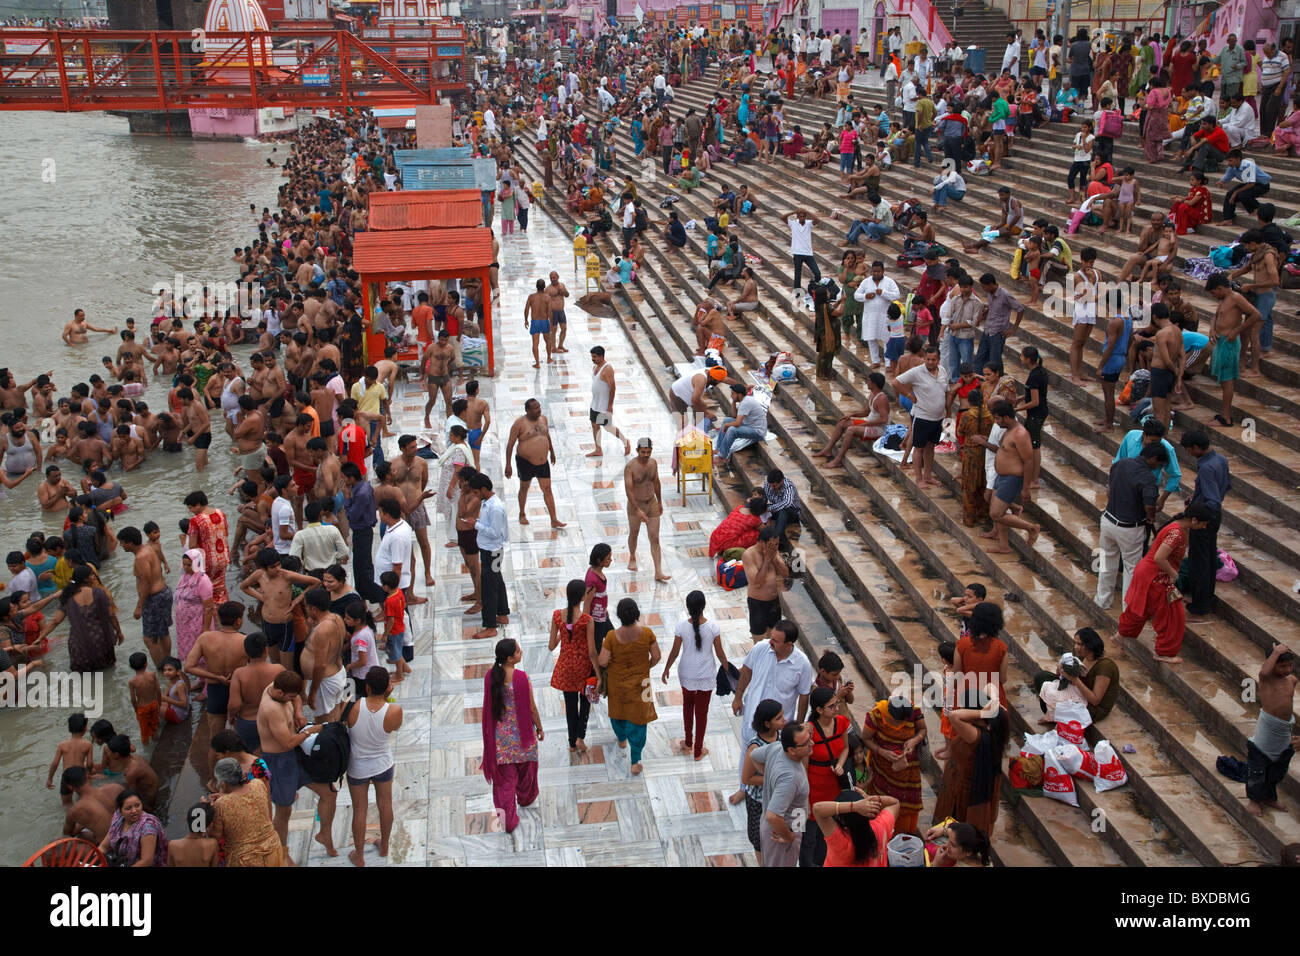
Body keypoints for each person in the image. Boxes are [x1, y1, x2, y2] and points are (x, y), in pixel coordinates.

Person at [481, 638, 542, 837]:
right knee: (526, 771)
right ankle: (525, 798)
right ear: (509, 658)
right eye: (517, 651)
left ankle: (507, 820)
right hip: (523, 737)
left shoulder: (491, 677)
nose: (521, 652)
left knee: (505, 783)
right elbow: (532, 709)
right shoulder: (523, 679)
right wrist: (539, 728)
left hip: (501, 741)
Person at [931, 683, 1008, 836]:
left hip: (963, 786)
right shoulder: (993, 723)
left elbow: (953, 716)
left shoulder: (974, 733)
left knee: (957, 821)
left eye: (963, 707)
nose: (960, 709)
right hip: (958, 776)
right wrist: (992, 703)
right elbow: (990, 686)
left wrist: (983, 712)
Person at [1095, 444, 1165, 610]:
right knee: (1132, 569)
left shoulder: (1120, 464)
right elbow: (1149, 505)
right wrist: (1151, 517)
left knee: (1106, 563)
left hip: (1108, 520)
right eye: (1159, 464)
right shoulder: (1148, 478)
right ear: (1154, 459)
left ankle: (1102, 601)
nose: (1158, 468)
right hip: (1129, 528)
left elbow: (1109, 491)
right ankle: (1129, 609)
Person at [345, 666, 402, 866]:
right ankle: (384, 845)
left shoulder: (352, 706)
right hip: (382, 764)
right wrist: (387, 698)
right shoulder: (394, 710)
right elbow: (395, 727)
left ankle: (359, 855)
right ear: (388, 687)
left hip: (357, 766)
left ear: (367, 687)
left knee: (359, 810)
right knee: (385, 804)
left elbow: (342, 716)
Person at [661, 589, 728, 762]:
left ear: (688, 607)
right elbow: (719, 653)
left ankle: (688, 741)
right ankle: (698, 750)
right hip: (706, 675)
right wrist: (728, 668)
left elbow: (675, 652)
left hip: (686, 673)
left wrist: (666, 668)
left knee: (688, 706)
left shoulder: (681, 627)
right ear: (704, 606)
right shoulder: (713, 627)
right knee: (702, 713)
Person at [598, 598, 660, 775]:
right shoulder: (647, 634)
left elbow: (602, 660)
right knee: (640, 720)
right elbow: (656, 656)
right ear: (636, 614)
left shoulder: (611, 637)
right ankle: (635, 760)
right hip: (642, 685)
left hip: (617, 684)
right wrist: (645, 667)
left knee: (618, 713)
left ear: (618, 616)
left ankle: (622, 738)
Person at [743, 721, 812, 867]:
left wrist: (770, 776)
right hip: (783, 830)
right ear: (792, 750)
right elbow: (773, 816)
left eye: (809, 738)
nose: (811, 743)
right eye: (805, 743)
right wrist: (788, 836)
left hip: (795, 820)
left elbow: (754, 755)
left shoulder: (776, 747)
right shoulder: (791, 777)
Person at [37, 566, 123, 672]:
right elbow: (111, 615)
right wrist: (119, 632)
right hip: (102, 643)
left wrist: (40, 637)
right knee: (107, 673)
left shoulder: (67, 596)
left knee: (84, 681)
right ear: (86, 579)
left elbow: (56, 621)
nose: (94, 577)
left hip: (79, 647)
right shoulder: (100, 593)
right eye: (92, 575)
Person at [1246, 642, 1297, 817]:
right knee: (1258, 769)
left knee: (1278, 769)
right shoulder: (1267, 679)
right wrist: (1275, 653)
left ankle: (1269, 797)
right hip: (1268, 730)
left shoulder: (1292, 680)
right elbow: (1264, 671)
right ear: (1272, 663)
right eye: (1282, 666)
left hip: (1283, 730)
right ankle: (1253, 800)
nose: (1287, 669)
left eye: (1290, 665)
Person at [208, 758, 288, 867]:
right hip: (272, 849)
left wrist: (206, 813)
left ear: (224, 783)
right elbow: (244, 802)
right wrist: (225, 797)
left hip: (245, 860)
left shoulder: (221, 804)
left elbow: (216, 835)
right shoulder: (258, 784)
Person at [549, 579, 595, 755]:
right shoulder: (587, 620)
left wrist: (562, 635)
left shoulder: (556, 616)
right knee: (584, 703)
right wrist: (598, 670)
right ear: (582, 597)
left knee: (570, 705)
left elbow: (551, 646)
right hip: (583, 668)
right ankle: (580, 737)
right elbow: (591, 652)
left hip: (565, 667)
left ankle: (572, 742)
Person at [892, 345, 948, 489]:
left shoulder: (942, 370)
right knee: (918, 448)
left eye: (933, 359)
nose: (930, 362)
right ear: (924, 359)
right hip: (922, 416)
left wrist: (948, 410)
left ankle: (928, 476)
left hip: (938, 418)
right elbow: (896, 382)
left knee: (930, 447)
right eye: (928, 359)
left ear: (938, 360)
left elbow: (946, 391)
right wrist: (910, 396)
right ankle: (919, 478)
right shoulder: (917, 372)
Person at [504, 398, 565, 529]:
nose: (539, 410)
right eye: (535, 408)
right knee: (524, 488)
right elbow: (510, 444)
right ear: (527, 410)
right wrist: (508, 464)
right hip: (525, 462)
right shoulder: (519, 424)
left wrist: (552, 451)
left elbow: (547, 436)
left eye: (539, 407)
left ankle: (554, 519)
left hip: (543, 462)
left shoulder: (543, 419)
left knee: (547, 489)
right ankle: (521, 513)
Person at [813, 372, 890, 468]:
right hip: (869, 424)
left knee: (850, 430)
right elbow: (866, 413)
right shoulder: (872, 394)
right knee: (842, 423)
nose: (866, 382)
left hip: (879, 430)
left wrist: (864, 425)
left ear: (874, 383)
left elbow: (884, 419)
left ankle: (838, 460)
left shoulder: (882, 398)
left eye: (868, 380)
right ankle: (827, 449)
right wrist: (851, 415)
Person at [812, 790, 900, 867]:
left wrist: (854, 807)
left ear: (841, 820)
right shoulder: (881, 827)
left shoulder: (839, 840)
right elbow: (894, 803)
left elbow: (817, 809)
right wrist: (870, 799)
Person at [470, 473, 510, 641]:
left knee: (489, 589)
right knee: (497, 582)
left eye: (476, 492)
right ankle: (502, 613)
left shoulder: (495, 508)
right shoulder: (488, 503)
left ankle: (490, 626)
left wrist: (476, 524)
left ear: (484, 489)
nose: (474, 495)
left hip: (493, 552)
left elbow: (495, 533)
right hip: (489, 550)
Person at [624, 437, 670, 580]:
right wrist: (637, 510)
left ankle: (658, 571)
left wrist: (660, 501)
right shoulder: (630, 467)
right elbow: (629, 490)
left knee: (655, 537)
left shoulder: (653, 463)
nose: (645, 455)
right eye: (643, 452)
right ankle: (632, 556)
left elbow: (656, 482)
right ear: (637, 450)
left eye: (648, 452)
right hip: (635, 504)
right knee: (634, 532)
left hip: (651, 502)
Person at [99, 789, 167, 867]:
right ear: (120, 811)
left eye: (137, 805)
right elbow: (104, 847)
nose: (134, 811)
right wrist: (95, 858)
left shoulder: (148, 827)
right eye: (128, 808)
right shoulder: (118, 818)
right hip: (122, 862)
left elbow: (146, 861)